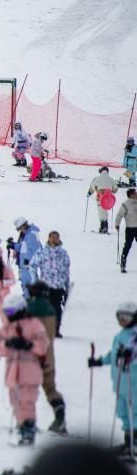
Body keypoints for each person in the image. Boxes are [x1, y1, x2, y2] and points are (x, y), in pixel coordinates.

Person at [0, 294, 50, 445]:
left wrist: (28, 345)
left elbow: (43, 344)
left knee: (27, 401)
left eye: (11, 313)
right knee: (15, 401)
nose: (9, 316)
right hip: (13, 373)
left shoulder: (34, 325)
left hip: (30, 372)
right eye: (7, 313)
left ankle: (28, 429)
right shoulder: (7, 328)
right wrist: (7, 344)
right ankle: (22, 425)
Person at [87, 301, 137, 452]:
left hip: (133, 383)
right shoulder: (119, 336)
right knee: (122, 411)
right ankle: (128, 441)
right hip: (120, 382)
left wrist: (130, 354)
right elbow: (113, 354)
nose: (123, 320)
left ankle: (135, 443)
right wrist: (100, 361)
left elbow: (133, 352)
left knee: (134, 411)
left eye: (127, 317)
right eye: (120, 317)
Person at [26, 280, 67, 434]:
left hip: (33, 356)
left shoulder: (31, 307)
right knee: (50, 388)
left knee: (27, 388)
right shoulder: (51, 308)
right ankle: (60, 417)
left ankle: (27, 423)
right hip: (49, 355)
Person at [30, 230, 71, 337]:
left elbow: (66, 270)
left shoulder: (63, 253)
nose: (54, 239)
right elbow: (32, 266)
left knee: (56, 308)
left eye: (56, 237)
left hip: (58, 286)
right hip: (45, 285)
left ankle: (55, 329)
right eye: (52, 237)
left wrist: (66, 286)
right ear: (48, 238)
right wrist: (36, 281)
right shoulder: (42, 252)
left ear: (59, 239)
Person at [11, 217, 43, 288]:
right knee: (26, 281)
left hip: (29, 264)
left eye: (20, 229)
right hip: (26, 264)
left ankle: (31, 297)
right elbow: (23, 247)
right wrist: (13, 245)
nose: (21, 231)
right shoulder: (28, 234)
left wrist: (27, 259)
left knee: (29, 282)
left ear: (24, 226)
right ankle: (28, 296)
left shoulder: (31, 234)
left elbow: (32, 249)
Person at [89, 166, 119, 234]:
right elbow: (115, 190)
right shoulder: (111, 179)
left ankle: (103, 227)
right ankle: (105, 226)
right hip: (108, 199)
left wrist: (89, 193)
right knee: (105, 211)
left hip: (100, 198)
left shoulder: (97, 178)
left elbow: (92, 187)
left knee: (101, 212)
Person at [117, 188, 137, 273]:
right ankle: (123, 264)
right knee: (127, 246)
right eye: (135, 193)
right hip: (130, 228)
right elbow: (119, 215)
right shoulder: (125, 204)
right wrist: (117, 224)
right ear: (131, 195)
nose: (136, 194)